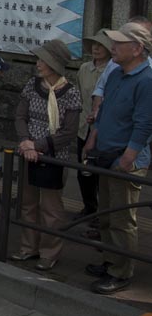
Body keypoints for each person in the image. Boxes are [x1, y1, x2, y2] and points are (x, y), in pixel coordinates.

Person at [84, 23, 152, 294]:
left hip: (125, 159)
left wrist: (130, 157)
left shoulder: (146, 80)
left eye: (119, 43)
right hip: (105, 153)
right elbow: (104, 111)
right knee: (106, 213)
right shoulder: (116, 74)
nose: (113, 47)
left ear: (137, 48)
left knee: (122, 218)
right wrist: (92, 138)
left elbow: (145, 123)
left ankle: (122, 271)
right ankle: (111, 260)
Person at [11, 40, 82, 271]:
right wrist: (25, 142)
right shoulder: (32, 85)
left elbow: (69, 132)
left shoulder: (71, 93)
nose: (38, 63)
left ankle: (49, 252)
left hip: (54, 156)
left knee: (51, 209)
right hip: (28, 152)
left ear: (54, 63)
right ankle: (27, 247)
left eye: (43, 59)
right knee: (27, 203)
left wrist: (38, 145)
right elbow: (20, 116)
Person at [75, 31, 112, 226]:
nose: (96, 48)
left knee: (99, 172)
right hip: (83, 125)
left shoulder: (113, 69)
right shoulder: (84, 68)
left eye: (101, 45)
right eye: (93, 44)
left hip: (102, 128)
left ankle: (102, 213)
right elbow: (80, 94)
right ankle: (88, 207)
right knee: (82, 170)